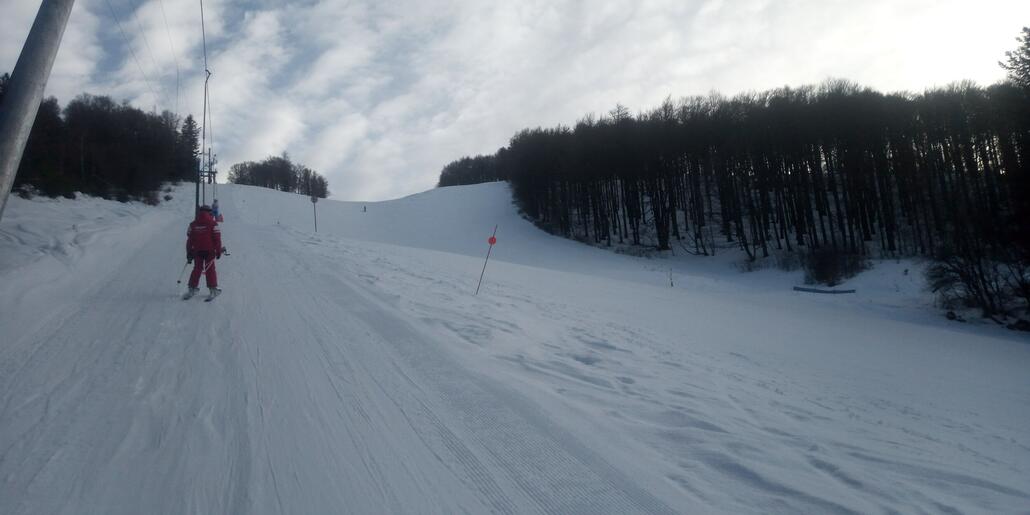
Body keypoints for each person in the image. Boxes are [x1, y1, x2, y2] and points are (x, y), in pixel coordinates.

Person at [184, 205, 223, 299]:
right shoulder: (213, 224)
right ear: (209, 212)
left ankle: (192, 288)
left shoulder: (192, 224)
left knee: (197, 269)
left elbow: (190, 239)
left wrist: (189, 252)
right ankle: (213, 289)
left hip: (197, 251)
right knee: (210, 269)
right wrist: (218, 251)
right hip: (210, 251)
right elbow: (217, 239)